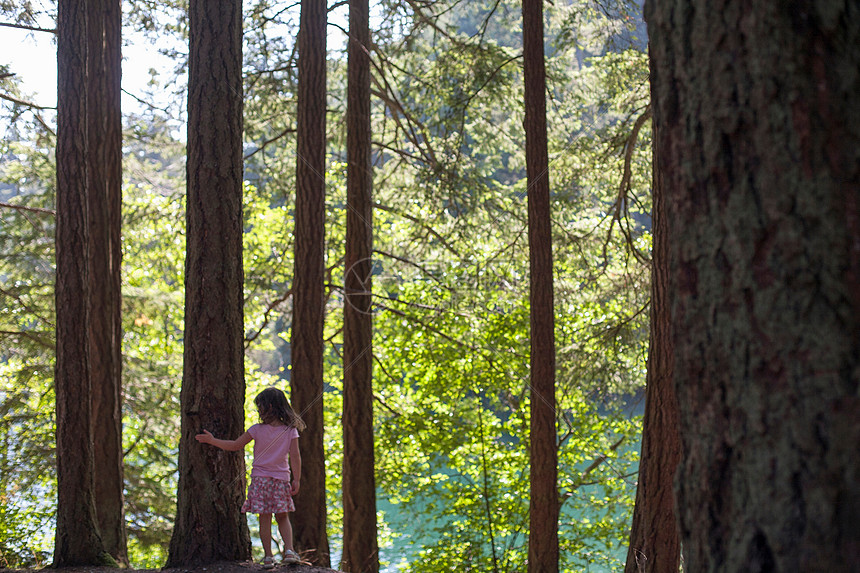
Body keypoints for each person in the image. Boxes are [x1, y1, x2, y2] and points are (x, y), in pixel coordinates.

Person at [196, 387, 306, 568]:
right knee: (283, 517)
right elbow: (296, 457)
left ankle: (269, 557)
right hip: (281, 480)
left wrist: (212, 440)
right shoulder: (290, 431)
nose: (259, 411)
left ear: (269, 407)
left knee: (265, 518)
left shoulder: (256, 430)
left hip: (260, 480)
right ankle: (289, 551)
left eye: (260, 407)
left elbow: (234, 445)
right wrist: (297, 479)